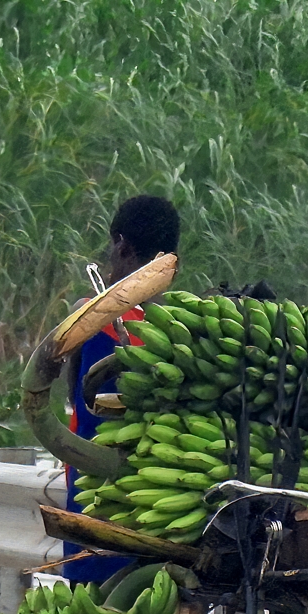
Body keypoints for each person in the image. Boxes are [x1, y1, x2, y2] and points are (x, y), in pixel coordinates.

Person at [61, 194, 181, 585]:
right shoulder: (181, 329)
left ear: (121, 245)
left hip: (95, 504)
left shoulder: (88, 317)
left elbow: (72, 393)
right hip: (167, 506)